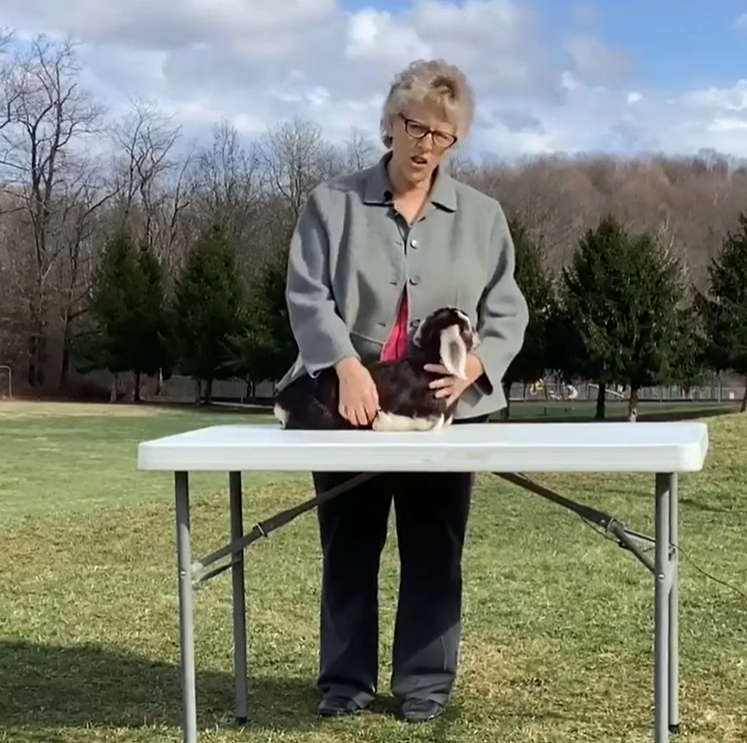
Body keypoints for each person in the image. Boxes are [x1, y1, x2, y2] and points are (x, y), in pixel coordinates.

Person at [275, 58, 529, 723]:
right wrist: (342, 365)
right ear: (389, 124)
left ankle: (424, 686)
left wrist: (477, 367)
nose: (424, 144)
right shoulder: (330, 204)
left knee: (433, 549)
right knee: (349, 546)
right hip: (350, 408)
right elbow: (306, 294)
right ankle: (344, 683)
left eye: (441, 135)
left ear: (454, 143)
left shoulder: (483, 217)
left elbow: (508, 312)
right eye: (414, 126)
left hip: (443, 417)